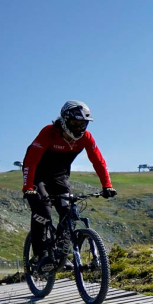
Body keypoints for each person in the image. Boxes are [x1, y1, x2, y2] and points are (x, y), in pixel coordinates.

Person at [22, 100, 117, 271]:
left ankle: (61, 256)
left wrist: (107, 186)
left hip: (59, 177)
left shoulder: (86, 138)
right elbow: (31, 161)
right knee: (43, 211)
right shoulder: (49, 133)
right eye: (75, 123)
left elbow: (98, 161)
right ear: (65, 120)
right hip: (37, 176)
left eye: (83, 124)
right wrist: (28, 187)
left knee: (68, 213)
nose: (79, 128)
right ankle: (40, 255)